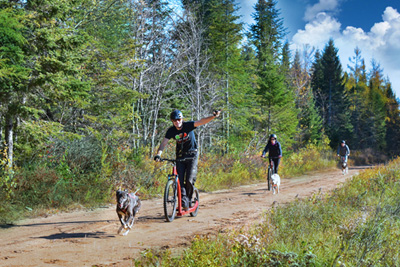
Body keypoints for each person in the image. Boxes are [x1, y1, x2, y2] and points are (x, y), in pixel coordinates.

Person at [154, 109, 220, 210]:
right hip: (180, 156)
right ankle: (183, 201)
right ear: (172, 121)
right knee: (179, 181)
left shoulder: (187, 126)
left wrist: (213, 116)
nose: (177, 122)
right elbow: (163, 143)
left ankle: (188, 200)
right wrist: (158, 154)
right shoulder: (171, 131)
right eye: (175, 120)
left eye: (179, 119)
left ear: (182, 119)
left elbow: (201, 121)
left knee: (189, 179)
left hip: (192, 155)